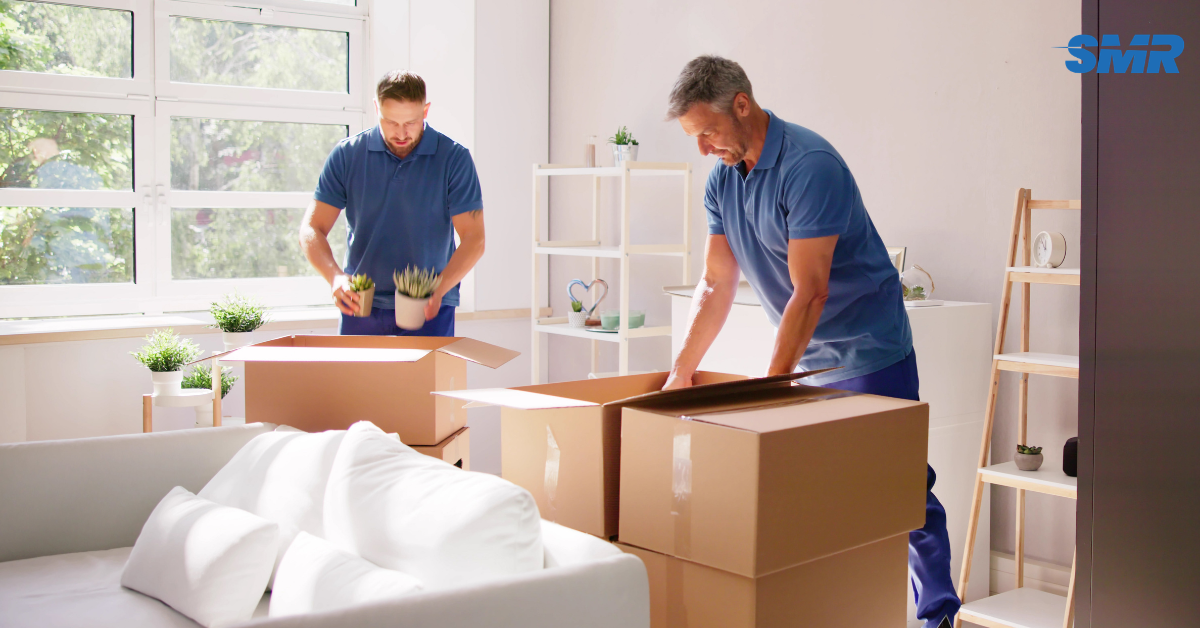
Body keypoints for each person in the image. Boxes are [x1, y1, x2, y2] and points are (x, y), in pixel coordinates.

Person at [662, 56, 959, 628]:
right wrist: (681, 373)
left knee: (900, 489)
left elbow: (811, 291)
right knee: (821, 494)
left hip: (869, 349)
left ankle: (939, 615)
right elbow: (716, 282)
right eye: (693, 138)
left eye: (708, 133)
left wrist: (770, 387)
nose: (703, 149)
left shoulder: (810, 166)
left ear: (741, 106)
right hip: (810, 360)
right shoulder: (723, 179)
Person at [300, 70, 485, 336]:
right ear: (376, 108)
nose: (401, 133)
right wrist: (335, 278)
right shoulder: (347, 155)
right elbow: (312, 228)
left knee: (426, 380)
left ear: (426, 110)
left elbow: (474, 238)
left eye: (410, 122)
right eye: (390, 122)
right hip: (360, 304)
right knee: (357, 380)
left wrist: (439, 289)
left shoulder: (454, 159)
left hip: (429, 304)